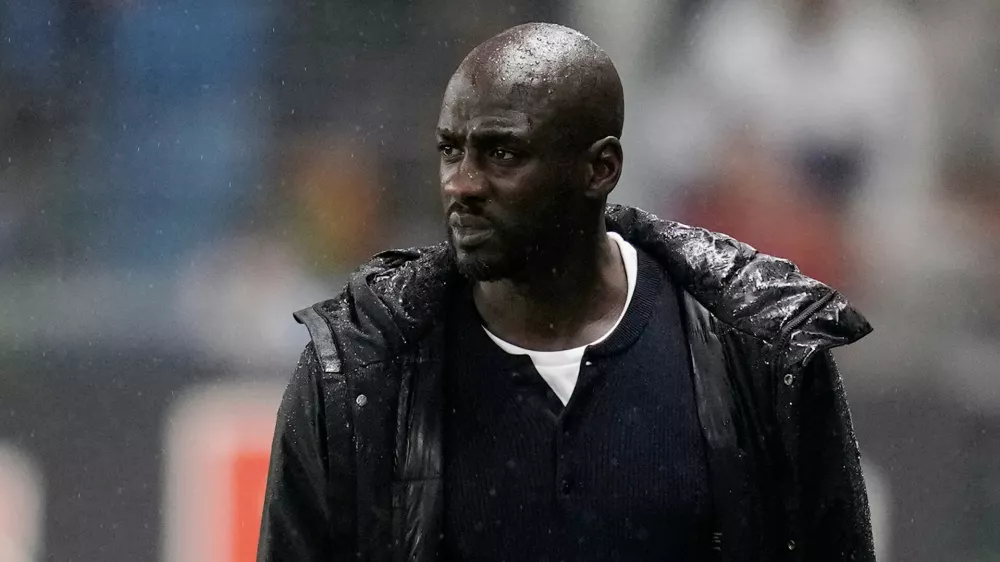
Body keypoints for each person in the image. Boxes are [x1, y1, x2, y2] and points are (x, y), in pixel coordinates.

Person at [257, 22, 876, 562]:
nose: (461, 184)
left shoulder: (762, 355)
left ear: (600, 169)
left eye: (502, 153)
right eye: (451, 150)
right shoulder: (357, 371)